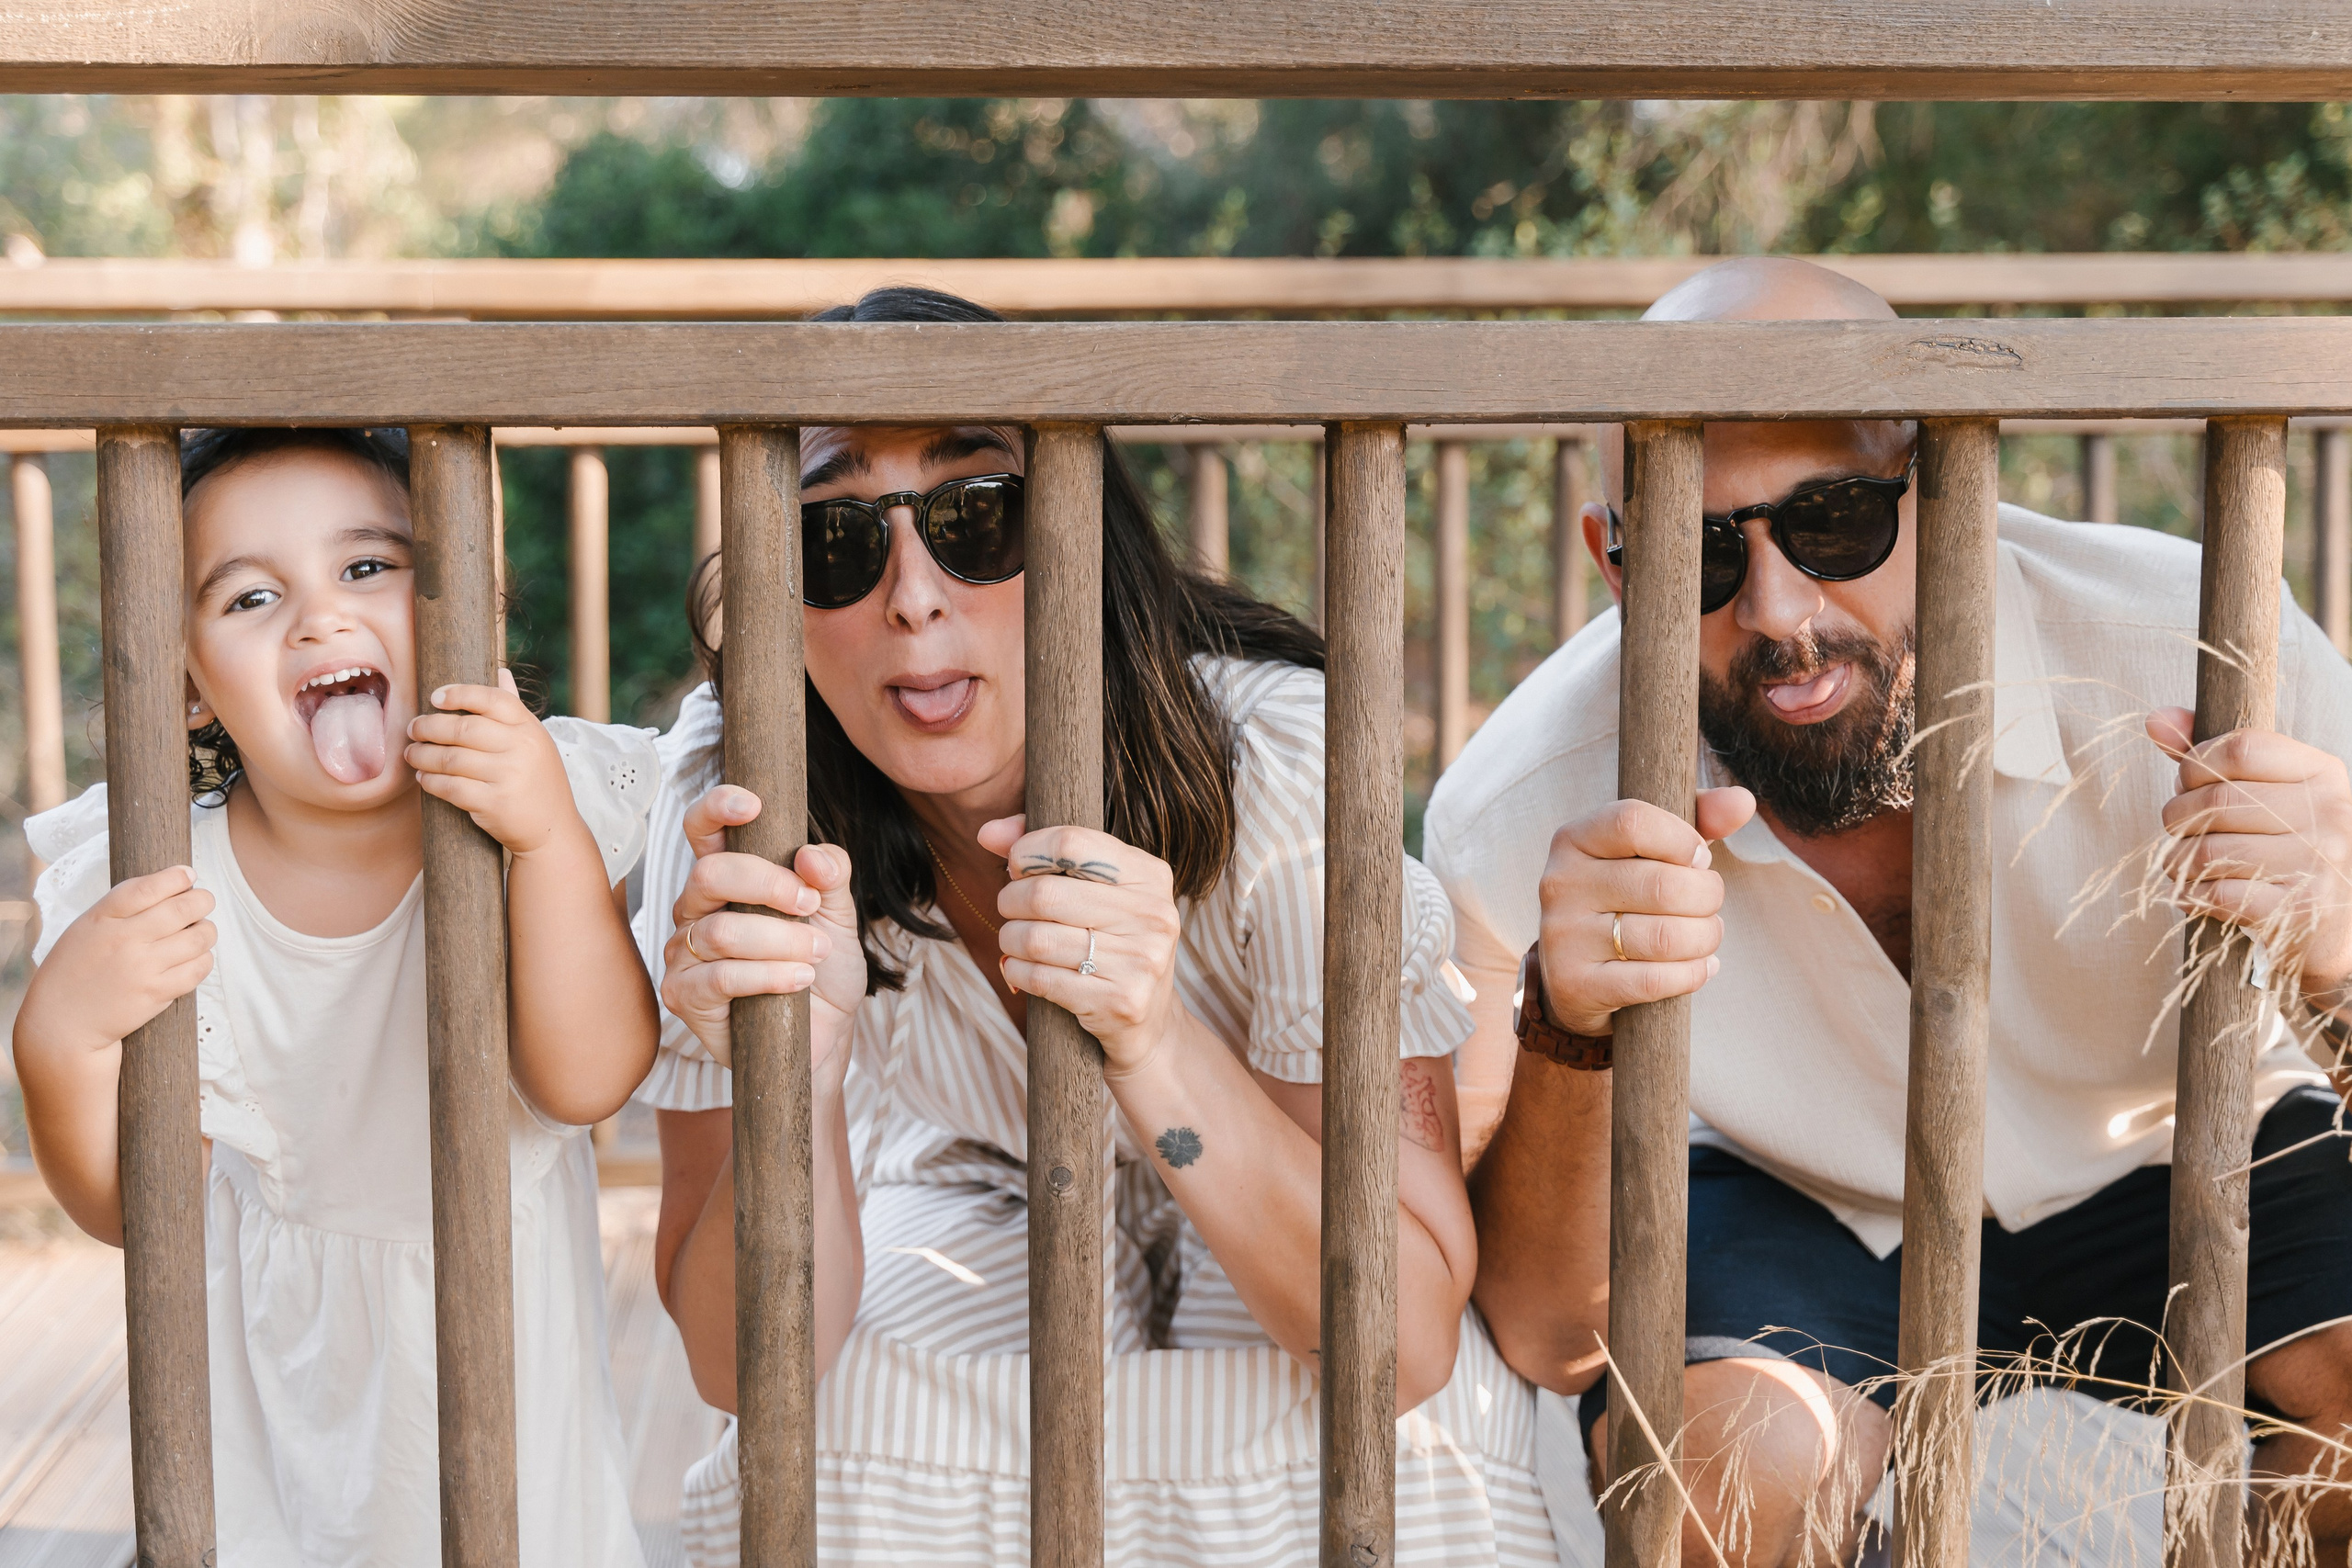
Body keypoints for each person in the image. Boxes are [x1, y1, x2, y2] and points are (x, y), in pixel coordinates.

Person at [1430, 256, 2352, 1567]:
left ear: (1952, 485)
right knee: (1718, 1487)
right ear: (1613, 560)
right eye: (1698, 547)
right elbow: (1541, 1327)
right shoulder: (1515, 806)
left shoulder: (2203, 646)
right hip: (1796, 1197)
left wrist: (2341, 945)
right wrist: (1571, 1025)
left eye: (1841, 518)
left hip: (2187, 1142)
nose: (1780, 610)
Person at [632, 288, 1555, 1566]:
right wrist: (809, 1063)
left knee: (1402, 1440)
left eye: (978, 517)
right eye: (835, 540)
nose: (913, 597)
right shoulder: (736, 790)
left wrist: (1151, 1036)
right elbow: (743, 1365)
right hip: (964, 1184)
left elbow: (1401, 1337)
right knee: (829, 1419)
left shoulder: (1283, 762)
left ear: (1086, 538)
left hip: (1258, 1166)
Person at [11, 429, 661, 1568]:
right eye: (253, 596)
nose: (320, 619)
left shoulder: (533, 817)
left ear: (463, 611)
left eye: (368, 568)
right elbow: (132, 1210)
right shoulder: (172, 878)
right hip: (273, 1395)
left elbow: (588, 1076)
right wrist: (58, 1043)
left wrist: (548, 834)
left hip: (506, 1382)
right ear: (192, 688)